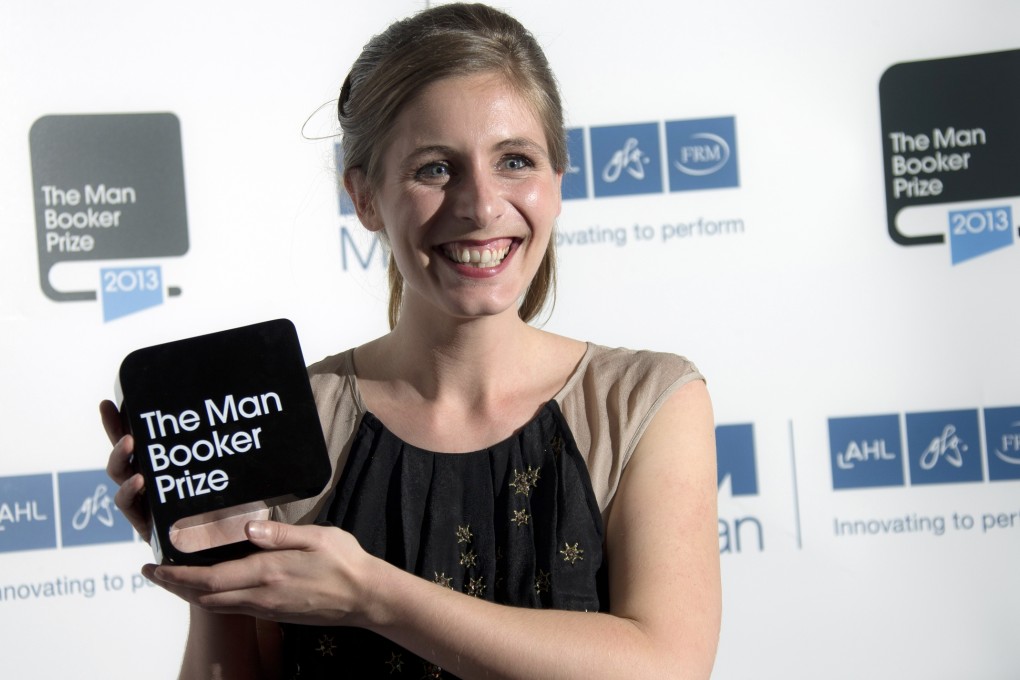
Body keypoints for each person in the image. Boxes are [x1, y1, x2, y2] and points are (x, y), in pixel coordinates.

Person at [103, 4, 721, 678]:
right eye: (434, 169)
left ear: (558, 184)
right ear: (364, 198)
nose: (482, 205)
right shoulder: (290, 417)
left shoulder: (644, 402)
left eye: (515, 160)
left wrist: (374, 596)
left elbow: (666, 667)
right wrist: (214, 571)